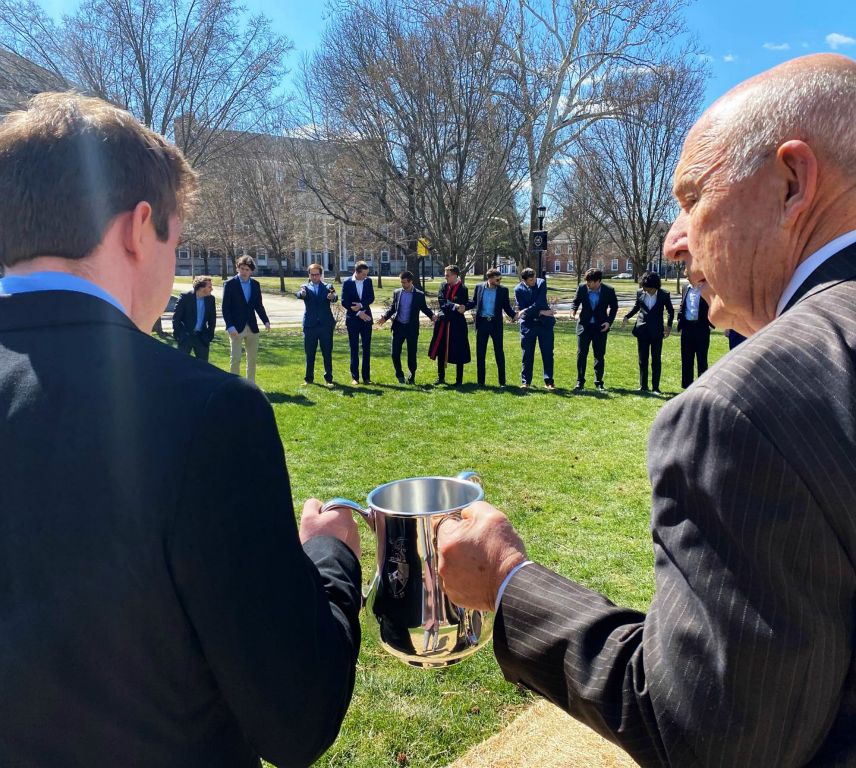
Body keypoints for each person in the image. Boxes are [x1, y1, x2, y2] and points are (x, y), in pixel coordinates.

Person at [437, 53, 856, 766]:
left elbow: (702, 740)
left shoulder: (745, 409)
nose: (673, 240)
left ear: (792, 182)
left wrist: (509, 580)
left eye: (692, 197)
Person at [0, 92, 361, 767]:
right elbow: (296, 719)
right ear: (140, 228)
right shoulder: (210, 413)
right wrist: (331, 558)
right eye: (176, 236)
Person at [377, 270, 437, 384]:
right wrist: (384, 318)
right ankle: (399, 375)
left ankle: (412, 375)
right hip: (398, 327)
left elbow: (424, 308)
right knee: (394, 353)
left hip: (411, 328)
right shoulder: (397, 292)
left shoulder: (419, 295)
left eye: (405, 282)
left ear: (410, 282)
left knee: (411, 353)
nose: (403, 285)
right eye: (401, 282)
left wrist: (432, 316)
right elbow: (393, 308)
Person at [622, 271, 674, 394]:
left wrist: (669, 326)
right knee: (642, 359)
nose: (645, 290)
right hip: (642, 330)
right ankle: (643, 386)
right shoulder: (640, 293)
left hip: (656, 331)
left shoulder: (664, 295)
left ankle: (656, 387)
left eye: (647, 288)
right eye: (643, 287)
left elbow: (671, 311)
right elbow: (636, 307)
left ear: (655, 286)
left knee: (656, 359)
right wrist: (627, 316)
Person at [221, 255, 270, 383]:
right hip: (235, 328)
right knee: (235, 359)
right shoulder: (230, 284)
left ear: (251, 271)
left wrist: (266, 321)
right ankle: (234, 385)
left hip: (252, 327)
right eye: (241, 268)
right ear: (237, 268)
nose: (244, 272)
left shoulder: (255, 284)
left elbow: (258, 305)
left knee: (252, 359)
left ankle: (250, 385)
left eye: (247, 269)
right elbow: (225, 308)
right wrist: (230, 327)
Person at [466, 268, 517, 387]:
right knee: (480, 353)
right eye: (497, 279)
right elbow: (473, 302)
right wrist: (463, 307)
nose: (499, 281)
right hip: (482, 323)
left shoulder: (503, 290)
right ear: (490, 278)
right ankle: (481, 382)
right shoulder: (479, 287)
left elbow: (506, 307)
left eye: (500, 279)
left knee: (499, 352)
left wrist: (514, 315)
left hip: (495, 324)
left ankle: (502, 382)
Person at [570, 267, 618, 391]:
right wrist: (573, 312)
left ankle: (599, 382)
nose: (588, 284)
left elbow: (614, 307)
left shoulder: (609, 290)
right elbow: (575, 302)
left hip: (600, 327)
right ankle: (580, 381)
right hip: (584, 326)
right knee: (581, 354)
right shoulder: (582, 288)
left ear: (598, 281)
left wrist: (609, 322)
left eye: (590, 282)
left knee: (599, 355)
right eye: (586, 281)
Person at [428, 264, 470, 385]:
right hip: (443, 322)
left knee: (458, 349)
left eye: (447, 275)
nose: (445, 277)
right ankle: (441, 377)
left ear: (455, 275)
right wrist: (454, 305)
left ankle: (459, 380)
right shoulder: (443, 286)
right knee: (441, 349)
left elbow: (462, 305)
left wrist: (455, 306)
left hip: (457, 324)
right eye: (445, 275)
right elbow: (442, 302)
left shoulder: (463, 289)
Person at [513, 267, 555, 389]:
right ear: (524, 280)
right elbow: (522, 309)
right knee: (527, 354)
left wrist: (529, 310)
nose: (534, 281)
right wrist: (541, 312)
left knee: (547, 353)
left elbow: (540, 301)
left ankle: (549, 382)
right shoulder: (518, 289)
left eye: (534, 278)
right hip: (528, 325)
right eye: (531, 280)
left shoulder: (541, 283)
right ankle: (525, 382)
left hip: (545, 325)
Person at [296, 263, 337, 386]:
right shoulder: (305, 287)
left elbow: (335, 297)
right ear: (309, 275)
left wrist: (332, 296)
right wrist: (301, 295)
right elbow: (299, 294)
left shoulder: (328, 286)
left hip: (325, 325)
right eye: (312, 275)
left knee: (327, 353)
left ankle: (328, 379)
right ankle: (308, 379)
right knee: (310, 353)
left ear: (321, 274)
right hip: (310, 325)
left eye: (317, 274)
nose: (315, 277)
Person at [340, 260, 375, 385]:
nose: (366, 276)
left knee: (366, 348)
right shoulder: (347, 282)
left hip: (366, 319)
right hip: (353, 319)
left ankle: (366, 377)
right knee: (354, 348)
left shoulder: (368, 281)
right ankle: (355, 377)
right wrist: (358, 313)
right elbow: (344, 301)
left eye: (367, 274)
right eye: (364, 274)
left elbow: (371, 297)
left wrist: (361, 305)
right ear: (357, 272)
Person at [676, 273, 714, 387]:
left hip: (701, 328)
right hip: (687, 328)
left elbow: (713, 305)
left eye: (689, 276)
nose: (687, 278)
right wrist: (679, 318)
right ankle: (687, 385)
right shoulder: (685, 288)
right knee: (686, 358)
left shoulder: (706, 289)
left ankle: (702, 385)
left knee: (702, 358)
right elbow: (683, 305)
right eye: (686, 276)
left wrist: (710, 323)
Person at [171, 274, 216, 361]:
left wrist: (209, 335)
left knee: (203, 368)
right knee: (181, 365)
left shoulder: (210, 299)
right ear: (201, 288)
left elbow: (212, 319)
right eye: (209, 287)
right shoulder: (185, 297)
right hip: (185, 337)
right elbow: (176, 318)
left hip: (202, 338)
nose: (212, 289)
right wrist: (179, 335)